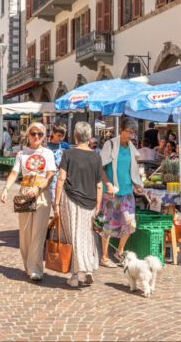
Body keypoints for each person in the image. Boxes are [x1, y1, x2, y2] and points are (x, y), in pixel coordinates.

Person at [0, 122, 57, 281]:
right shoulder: (21, 154)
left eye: (39, 134)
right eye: (33, 133)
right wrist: (6, 189)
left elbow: (50, 175)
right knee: (25, 233)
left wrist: (38, 189)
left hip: (41, 194)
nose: (36, 136)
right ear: (28, 135)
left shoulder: (48, 153)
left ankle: (36, 268)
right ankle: (28, 265)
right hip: (25, 191)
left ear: (44, 136)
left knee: (38, 233)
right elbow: (14, 173)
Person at [53, 121, 102, 287]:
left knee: (73, 236)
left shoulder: (68, 154)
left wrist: (56, 202)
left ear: (75, 135)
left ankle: (75, 275)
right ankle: (88, 268)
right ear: (89, 138)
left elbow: (61, 179)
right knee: (87, 235)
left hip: (71, 198)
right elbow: (99, 185)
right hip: (90, 201)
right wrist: (98, 205)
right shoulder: (96, 156)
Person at [98, 118, 143, 267]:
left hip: (127, 191)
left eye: (133, 133)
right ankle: (104, 257)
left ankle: (119, 251)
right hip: (111, 192)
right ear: (121, 130)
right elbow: (100, 168)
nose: (131, 135)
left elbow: (132, 170)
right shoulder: (110, 144)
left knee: (130, 224)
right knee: (108, 224)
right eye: (129, 132)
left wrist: (137, 184)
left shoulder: (131, 148)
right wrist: (108, 184)